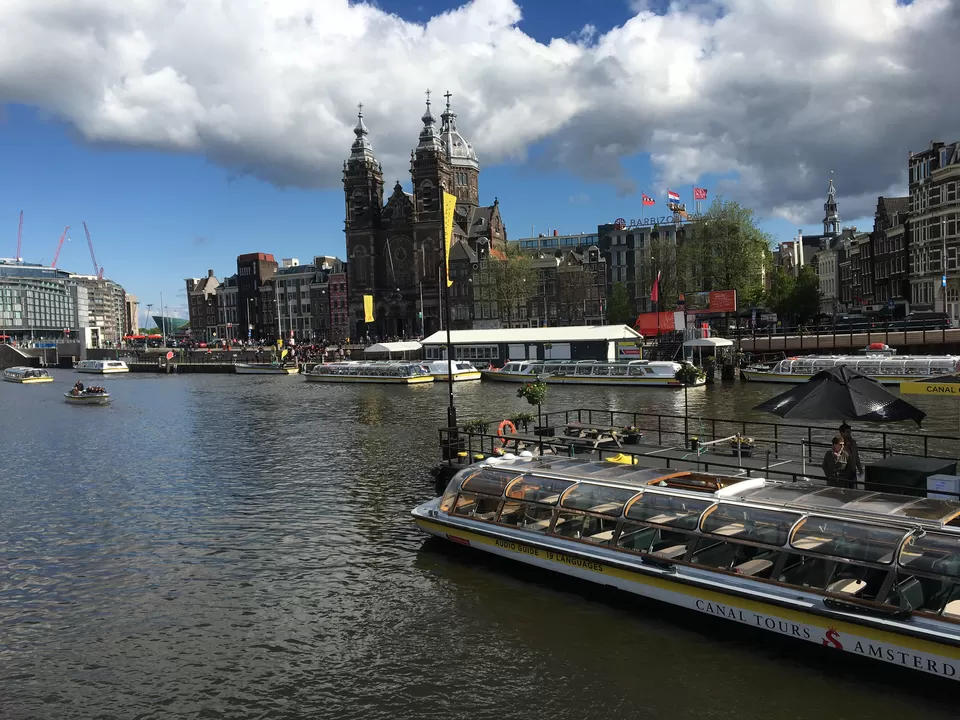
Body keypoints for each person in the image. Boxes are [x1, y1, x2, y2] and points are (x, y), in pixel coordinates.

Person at [838, 422, 863, 487]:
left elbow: (856, 457)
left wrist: (860, 469)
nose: (849, 434)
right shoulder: (838, 444)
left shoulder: (853, 442)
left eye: (850, 432)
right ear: (841, 433)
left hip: (852, 470)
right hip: (843, 471)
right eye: (847, 432)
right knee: (844, 488)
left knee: (853, 489)